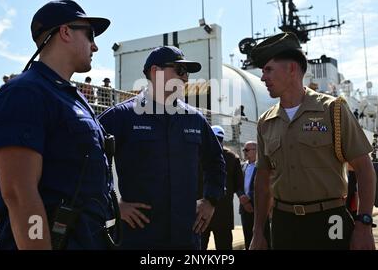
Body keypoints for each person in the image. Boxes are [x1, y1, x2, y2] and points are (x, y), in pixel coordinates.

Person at [0, 0, 115, 249]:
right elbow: (19, 194)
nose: (95, 46)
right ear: (65, 32)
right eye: (90, 35)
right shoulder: (23, 93)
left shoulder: (73, 98)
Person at [249, 32, 377, 250]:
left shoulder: (333, 110)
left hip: (329, 220)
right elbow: (263, 180)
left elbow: (364, 169)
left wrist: (363, 225)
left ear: (291, 69)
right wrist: (258, 232)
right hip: (283, 223)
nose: (263, 78)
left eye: (268, 69)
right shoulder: (266, 122)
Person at [98, 46, 226, 250]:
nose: (185, 79)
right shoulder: (121, 116)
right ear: (155, 71)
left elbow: (216, 162)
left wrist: (210, 200)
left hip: (186, 237)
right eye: (180, 70)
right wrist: (112, 205)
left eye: (187, 73)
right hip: (138, 238)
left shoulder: (195, 119)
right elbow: (86, 160)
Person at [201, 125, 244, 250]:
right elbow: (238, 185)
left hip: (202, 212)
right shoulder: (232, 157)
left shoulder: (198, 153)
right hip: (222, 214)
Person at [239, 141, 271, 250]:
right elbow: (238, 184)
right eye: (244, 150)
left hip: (259, 207)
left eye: (247, 150)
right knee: (248, 237)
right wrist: (242, 197)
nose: (244, 152)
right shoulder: (242, 166)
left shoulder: (263, 167)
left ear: (256, 151)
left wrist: (249, 197)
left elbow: (265, 185)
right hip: (244, 208)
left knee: (264, 236)